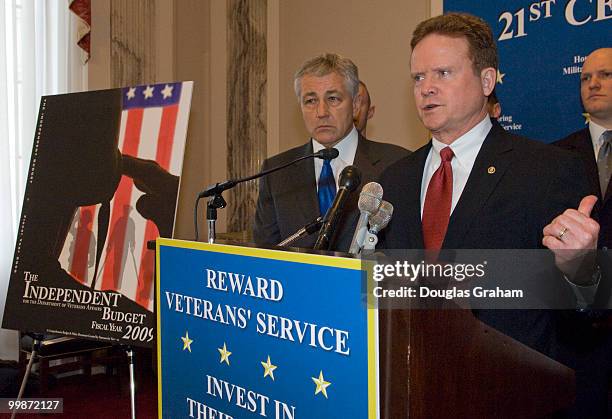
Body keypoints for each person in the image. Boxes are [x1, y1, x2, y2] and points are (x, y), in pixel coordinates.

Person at [379, 12, 602, 416]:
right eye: (417, 77)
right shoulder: (393, 179)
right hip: (411, 393)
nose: (426, 88)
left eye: (443, 73)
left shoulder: (549, 170)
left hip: (511, 396)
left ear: (487, 81)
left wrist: (580, 269)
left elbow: (587, 314)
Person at [253, 53, 410, 251]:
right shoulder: (276, 172)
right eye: (310, 101)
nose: (321, 112)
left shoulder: (397, 164)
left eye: (333, 99)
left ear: (355, 105)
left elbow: (407, 253)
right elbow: (264, 256)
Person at [554, 47, 612, 417]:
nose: (592, 83)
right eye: (585, 77)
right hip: (579, 337)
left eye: (605, 75)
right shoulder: (554, 158)